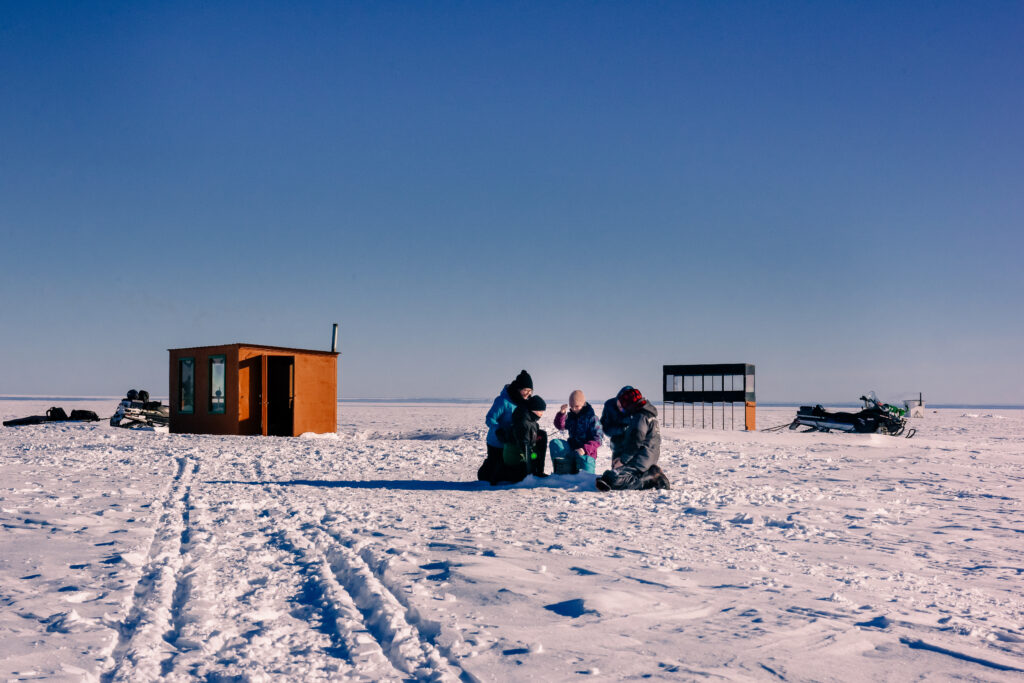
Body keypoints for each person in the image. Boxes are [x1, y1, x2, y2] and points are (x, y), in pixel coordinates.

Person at [597, 387, 670, 491]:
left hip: (640, 461)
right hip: (645, 459)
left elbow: (635, 443)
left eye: (623, 407)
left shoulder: (640, 417)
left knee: (614, 479)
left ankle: (652, 479)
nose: (622, 410)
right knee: (610, 475)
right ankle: (650, 473)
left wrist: (622, 461)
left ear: (630, 405)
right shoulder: (646, 414)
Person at [479, 370, 533, 482]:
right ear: (518, 388)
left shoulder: (525, 402)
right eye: (525, 390)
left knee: (507, 466)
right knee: (493, 468)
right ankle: (484, 474)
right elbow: (490, 418)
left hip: (512, 441)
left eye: (530, 391)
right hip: (497, 441)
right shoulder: (503, 401)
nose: (528, 393)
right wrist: (498, 430)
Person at [489, 395, 549, 484]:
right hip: (516, 458)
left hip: (520, 454)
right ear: (534, 410)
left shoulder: (529, 419)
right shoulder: (523, 422)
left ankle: (537, 471)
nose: (542, 414)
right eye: (541, 411)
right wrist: (531, 468)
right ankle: (505, 473)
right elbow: (524, 446)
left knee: (541, 436)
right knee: (529, 464)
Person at [551, 390, 602, 474]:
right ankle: (562, 470)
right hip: (572, 450)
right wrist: (561, 414)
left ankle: (581, 467)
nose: (574, 409)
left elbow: (598, 439)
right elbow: (560, 426)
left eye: (577, 406)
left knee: (586, 476)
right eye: (571, 406)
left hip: (586, 453)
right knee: (555, 443)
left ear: (583, 404)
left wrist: (584, 449)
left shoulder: (592, 418)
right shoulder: (571, 417)